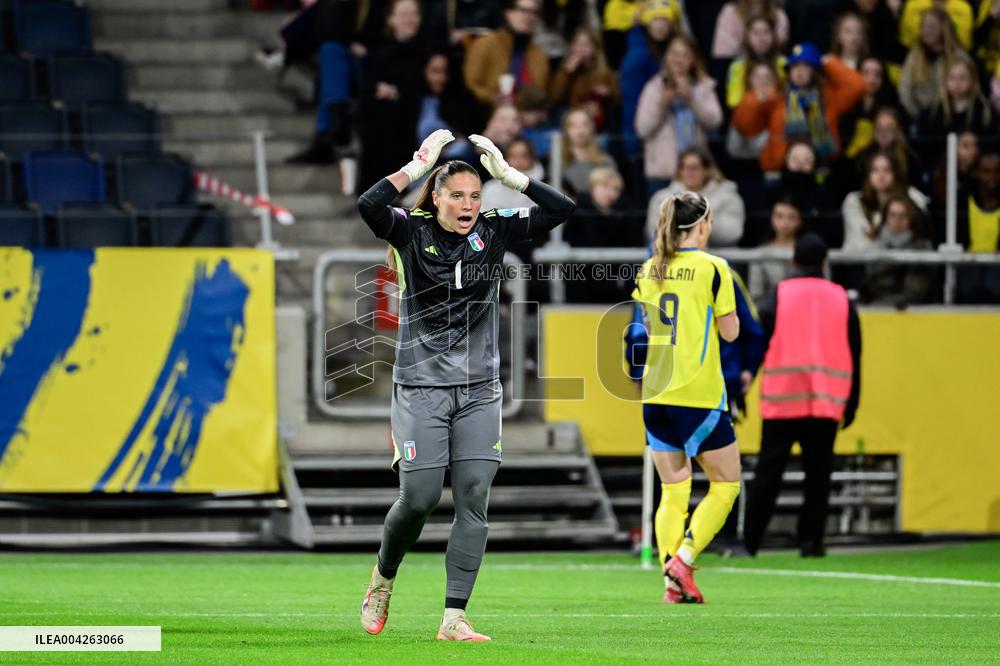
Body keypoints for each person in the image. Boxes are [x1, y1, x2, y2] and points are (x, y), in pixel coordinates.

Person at [356, 128, 575, 640]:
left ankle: (453, 617)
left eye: (476, 195)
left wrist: (510, 176)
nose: (469, 204)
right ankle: (383, 579)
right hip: (420, 388)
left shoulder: (494, 230)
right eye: (457, 194)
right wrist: (417, 164)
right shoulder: (410, 230)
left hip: (480, 389)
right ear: (436, 197)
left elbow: (561, 208)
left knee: (474, 496)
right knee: (421, 498)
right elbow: (369, 205)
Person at [625, 191, 742, 604]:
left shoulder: (650, 268)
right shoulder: (714, 268)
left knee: (673, 491)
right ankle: (685, 559)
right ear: (704, 224)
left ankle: (670, 581)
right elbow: (731, 332)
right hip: (698, 393)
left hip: (656, 393)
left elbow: (641, 328)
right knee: (726, 484)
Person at [743, 233, 861, 557]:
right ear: (825, 262)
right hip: (826, 401)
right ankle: (811, 542)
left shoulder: (779, 295)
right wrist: (853, 402)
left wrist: (744, 384)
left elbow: (756, 344)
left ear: (793, 261)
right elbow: (856, 352)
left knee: (768, 473)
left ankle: (751, 540)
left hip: (783, 400)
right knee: (818, 476)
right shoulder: (842, 298)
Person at [731, 42, 866, 172]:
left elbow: (858, 86)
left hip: (821, 165)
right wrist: (755, 100)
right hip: (781, 167)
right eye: (794, 66)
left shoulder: (829, 97)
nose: (799, 71)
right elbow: (745, 127)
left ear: (815, 71)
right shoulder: (777, 97)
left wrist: (828, 62)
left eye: (806, 66)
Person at [635, 34, 723, 194]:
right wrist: (662, 104)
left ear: (694, 59)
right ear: (667, 57)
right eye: (674, 54)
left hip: (697, 173)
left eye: (685, 55)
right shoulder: (654, 86)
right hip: (663, 173)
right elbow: (642, 129)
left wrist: (692, 100)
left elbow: (715, 121)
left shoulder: (704, 85)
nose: (679, 59)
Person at [646, 147, 746, 246]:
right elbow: (655, 232)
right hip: (676, 258)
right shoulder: (662, 198)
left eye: (694, 168)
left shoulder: (728, 197)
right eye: (683, 167)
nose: (688, 172)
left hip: (717, 258)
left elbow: (733, 234)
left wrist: (702, 219)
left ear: (707, 170)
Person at [463, 0, 549, 106]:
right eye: (523, 10)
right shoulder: (485, 44)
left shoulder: (539, 54)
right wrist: (491, 98)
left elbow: (541, 94)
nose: (528, 17)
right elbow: (471, 84)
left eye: (533, 12)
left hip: (525, 115)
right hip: (484, 111)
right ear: (508, 13)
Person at [841, 150, 929, 251]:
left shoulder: (913, 196)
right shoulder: (854, 201)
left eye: (887, 170)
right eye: (875, 170)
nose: (881, 176)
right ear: (868, 174)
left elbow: (920, 233)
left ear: (895, 173)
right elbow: (858, 242)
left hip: (908, 258)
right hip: (862, 260)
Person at [749, 195, 802, 301]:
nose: (785, 222)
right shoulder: (761, 252)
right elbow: (756, 295)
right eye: (779, 216)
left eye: (791, 217)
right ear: (772, 218)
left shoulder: (807, 250)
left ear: (800, 220)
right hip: (770, 312)